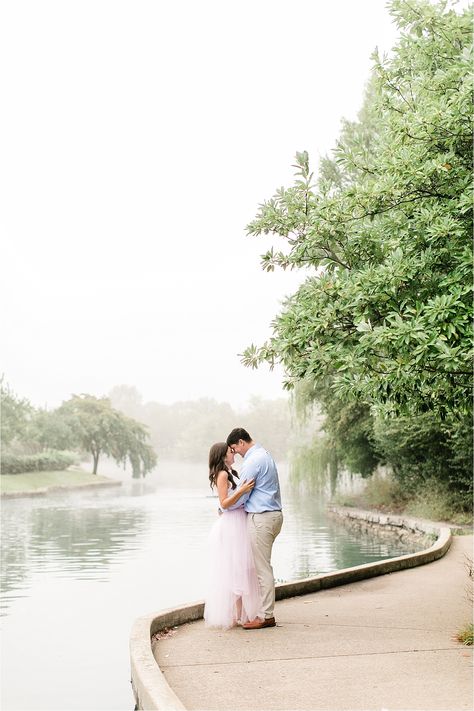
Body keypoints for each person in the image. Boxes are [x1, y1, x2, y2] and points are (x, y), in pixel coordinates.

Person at [226, 427, 283, 630]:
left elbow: (242, 495)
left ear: (241, 442)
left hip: (261, 518)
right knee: (263, 566)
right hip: (274, 515)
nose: (236, 453)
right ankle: (265, 612)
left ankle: (266, 616)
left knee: (262, 569)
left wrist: (224, 506)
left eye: (235, 448)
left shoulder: (252, 461)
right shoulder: (264, 454)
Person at [203, 442, 263, 629]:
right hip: (232, 526)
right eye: (231, 451)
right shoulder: (222, 475)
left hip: (238, 522)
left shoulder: (231, 473)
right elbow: (224, 503)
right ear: (223, 455)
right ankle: (235, 613)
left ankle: (239, 614)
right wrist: (242, 491)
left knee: (241, 569)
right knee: (236, 569)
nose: (234, 453)